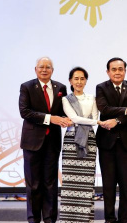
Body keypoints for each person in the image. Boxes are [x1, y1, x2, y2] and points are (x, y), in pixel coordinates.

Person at [19, 57, 71, 223]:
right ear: (35, 69)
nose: (44, 70)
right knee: (33, 184)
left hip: (52, 142)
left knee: (50, 183)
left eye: (48, 67)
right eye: (41, 67)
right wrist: (51, 118)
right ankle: (33, 219)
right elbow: (25, 112)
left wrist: (67, 119)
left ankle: (50, 219)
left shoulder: (60, 87)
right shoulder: (27, 87)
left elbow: (64, 112)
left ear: (52, 70)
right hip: (32, 142)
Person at [96, 57, 127, 223]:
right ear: (108, 71)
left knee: (125, 185)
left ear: (125, 70)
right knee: (108, 185)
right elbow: (104, 109)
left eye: (120, 69)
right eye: (114, 69)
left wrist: (117, 120)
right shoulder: (101, 87)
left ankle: (124, 220)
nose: (117, 72)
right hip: (106, 142)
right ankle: (109, 219)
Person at [60, 67, 107, 223]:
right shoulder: (66, 99)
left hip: (89, 139)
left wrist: (91, 120)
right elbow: (73, 118)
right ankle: (69, 219)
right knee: (70, 182)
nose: (79, 82)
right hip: (71, 139)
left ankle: (84, 219)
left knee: (86, 182)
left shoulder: (92, 98)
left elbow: (94, 116)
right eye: (76, 78)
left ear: (86, 80)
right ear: (70, 81)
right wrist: (93, 121)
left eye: (82, 78)